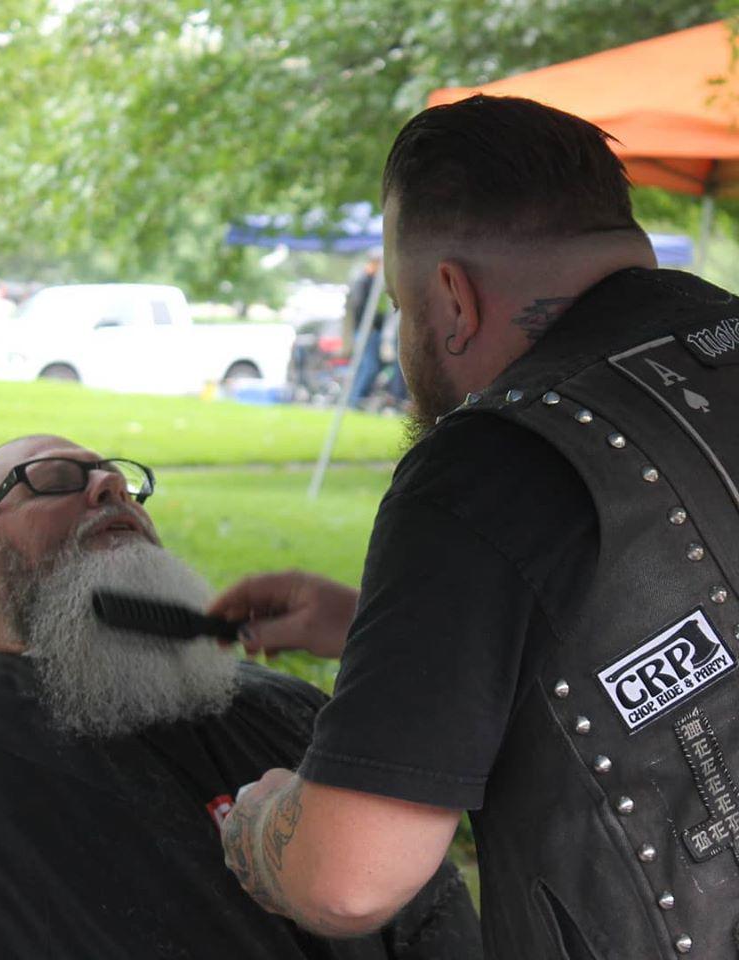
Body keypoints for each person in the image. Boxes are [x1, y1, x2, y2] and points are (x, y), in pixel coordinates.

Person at [215, 94, 739, 958]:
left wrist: (265, 827)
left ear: (451, 297)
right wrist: (365, 627)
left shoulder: (486, 461)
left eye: (403, 304)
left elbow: (350, 877)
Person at [0, 434, 480, 959]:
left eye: (120, 483)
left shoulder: (280, 707)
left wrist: (373, 631)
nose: (110, 486)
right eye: (52, 480)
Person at [344, 252, 386, 408]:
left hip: (367, 330)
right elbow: (360, 307)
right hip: (366, 330)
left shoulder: (369, 281)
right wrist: (371, 326)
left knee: (365, 365)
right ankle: (356, 398)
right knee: (369, 366)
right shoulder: (364, 281)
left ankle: (355, 397)